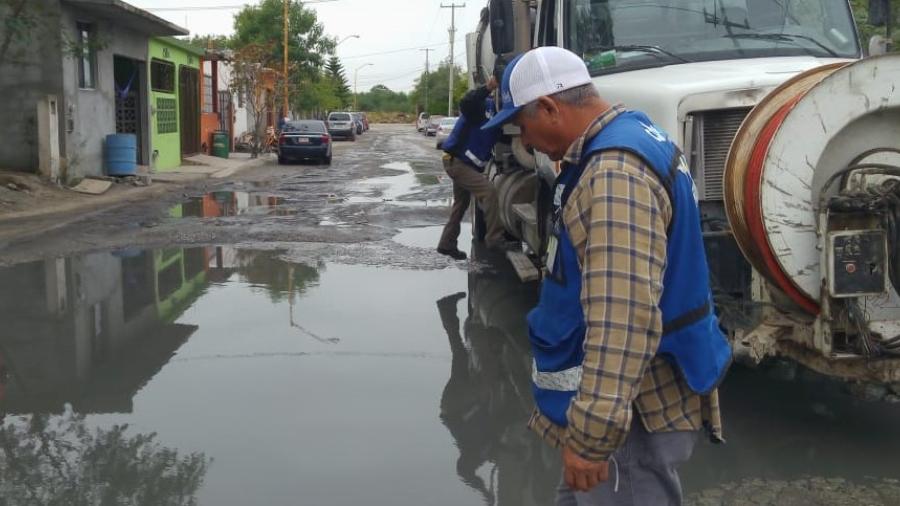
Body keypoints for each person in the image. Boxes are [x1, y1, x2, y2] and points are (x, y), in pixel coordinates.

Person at [482, 47, 732, 505]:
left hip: (628, 419)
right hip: (619, 411)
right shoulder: (634, 133)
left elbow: (624, 318)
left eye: (523, 126)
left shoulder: (615, 172)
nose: (527, 143)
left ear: (550, 108)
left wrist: (593, 437)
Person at [437, 77, 508, 260]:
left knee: (461, 204)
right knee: (489, 191)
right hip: (457, 162)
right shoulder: (481, 106)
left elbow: (502, 138)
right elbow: (466, 101)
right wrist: (488, 87)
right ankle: (494, 239)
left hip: (463, 164)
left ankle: (447, 243)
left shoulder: (500, 118)